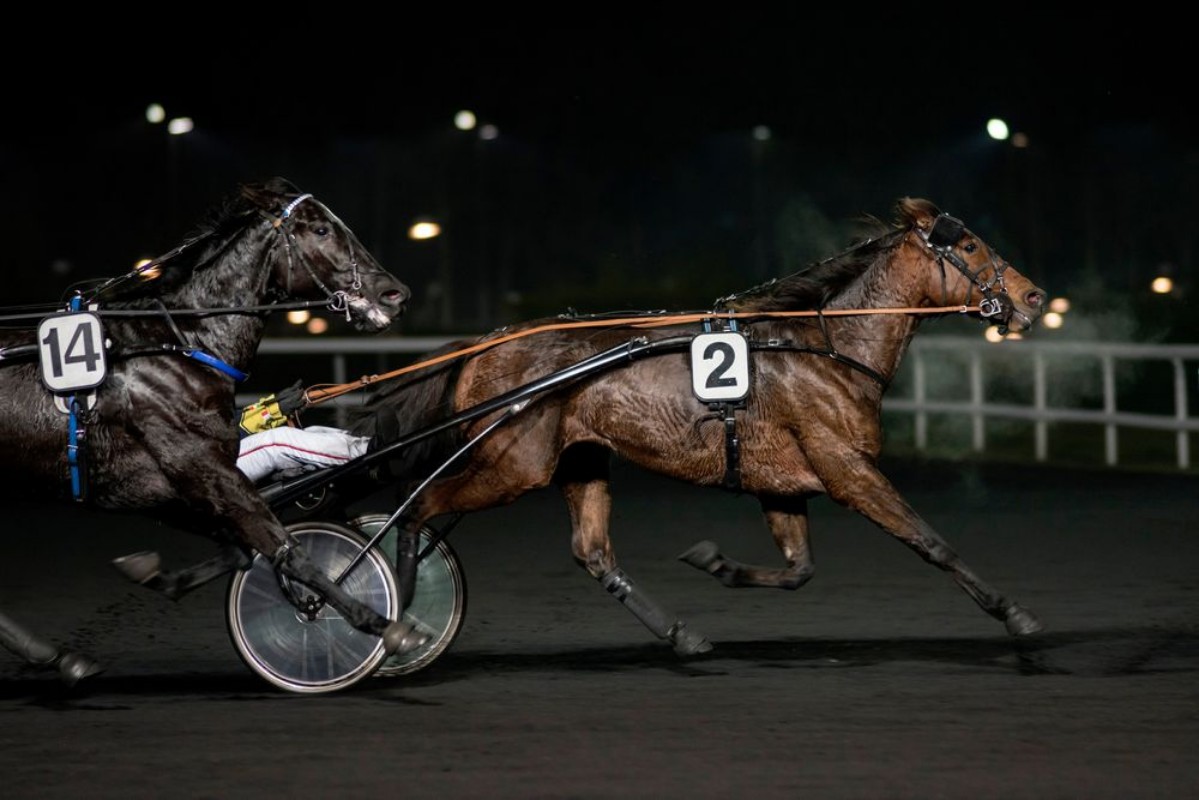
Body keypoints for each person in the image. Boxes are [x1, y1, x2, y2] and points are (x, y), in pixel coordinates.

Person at [234, 381, 390, 484]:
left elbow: (227, 421)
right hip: (217, 464)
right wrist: (271, 411)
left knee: (313, 432)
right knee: (276, 441)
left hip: (223, 453)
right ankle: (370, 452)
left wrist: (272, 407)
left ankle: (367, 450)